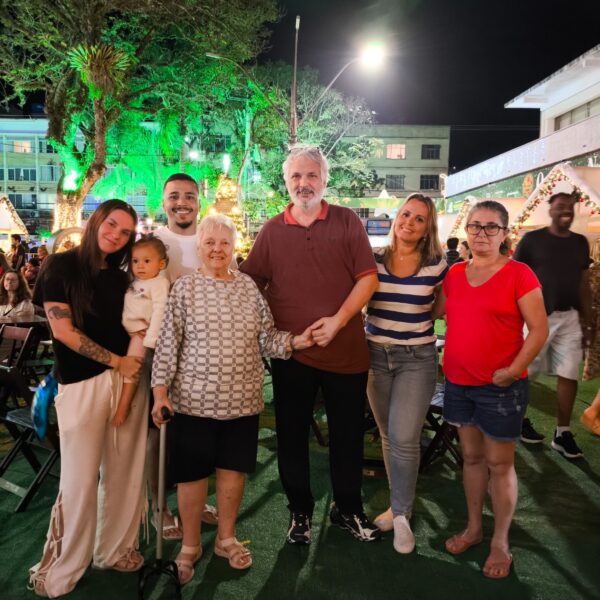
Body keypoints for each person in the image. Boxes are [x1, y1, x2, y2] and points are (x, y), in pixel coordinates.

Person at [152, 215, 314, 584]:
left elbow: (266, 338)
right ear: (199, 247)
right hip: (193, 401)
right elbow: (168, 344)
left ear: (234, 247)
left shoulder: (248, 288)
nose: (217, 249)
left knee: (233, 472)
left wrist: (296, 341)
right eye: (210, 242)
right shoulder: (185, 287)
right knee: (192, 476)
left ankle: (226, 539)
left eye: (224, 242)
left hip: (241, 401)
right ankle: (190, 545)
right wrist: (160, 392)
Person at [240, 145, 381, 544]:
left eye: (311, 175)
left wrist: (338, 321)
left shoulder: (347, 221)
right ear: (286, 181)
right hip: (294, 357)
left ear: (324, 179)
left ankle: (348, 509)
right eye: (296, 176)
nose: (304, 183)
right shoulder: (271, 231)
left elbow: (368, 279)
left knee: (347, 437)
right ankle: (299, 511)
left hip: (346, 353)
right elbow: (250, 285)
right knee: (291, 437)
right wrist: (277, 335)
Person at [29, 200, 146, 597]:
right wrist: (117, 361)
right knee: (79, 480)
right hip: (82, 383)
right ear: (96, 221)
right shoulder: (60, 267)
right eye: (111, 224)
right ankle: (63, 563)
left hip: (127, 381)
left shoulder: (123, 277)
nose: (116, 235)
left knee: (125, 471)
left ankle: (113, 550)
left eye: (125, 232)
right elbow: (63, 332)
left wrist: (129, 368)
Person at [433, 200, 547, 579]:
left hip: (501, 387)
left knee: (499, 464)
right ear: (466, 231)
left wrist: (513, 371)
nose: (481, 233)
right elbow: (434, 312)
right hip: (458, 382)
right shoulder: (454, 274)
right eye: (475, 226)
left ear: (504, 233)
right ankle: (474, 528)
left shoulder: (519, 274)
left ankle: (500, 541)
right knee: (471, 458)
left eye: (490, 227)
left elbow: (539, 330)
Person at [366, 193, 448, 554]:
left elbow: (438, 309)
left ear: (428, 228)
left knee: (404, 437)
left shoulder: (437, 265)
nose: (409, 223)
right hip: (374, 356)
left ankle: (401, 514)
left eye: (419, 219)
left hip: (417, 359)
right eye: (406, 214)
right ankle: (399, 505)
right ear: (396, 217)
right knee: (388, 435)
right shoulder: (373, 260)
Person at [151, 173, 219, 538]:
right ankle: (159, 507)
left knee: (199, 433)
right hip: (160, 352)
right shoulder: (153, 242)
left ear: (199, 202)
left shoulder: (211, 238)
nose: (182, 202)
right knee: (158, 433)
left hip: (204, 356)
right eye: (174, 196)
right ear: (163, 202)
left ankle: (193, 500)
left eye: (190, 196)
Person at [513, 192, 594, 458]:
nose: (565, 211)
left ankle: (562, 433)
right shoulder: (532, 240)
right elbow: (513, 277)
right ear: (550, 210)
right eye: (560, 206)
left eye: (570, 207)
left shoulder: (580, 242)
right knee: (526, 372)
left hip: (570, 317)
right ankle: (520, 421)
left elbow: (583, 282)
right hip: (536, 317)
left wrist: (588, 319)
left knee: (569, 373)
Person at [112, 236, 170, 427]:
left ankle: (124, 403)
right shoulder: (134, 281)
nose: (140, 266)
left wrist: (151, 338)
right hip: (128, 332)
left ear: (161, 264)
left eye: (147, 261)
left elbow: (161, 310)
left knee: (133, 363)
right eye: (135, 261)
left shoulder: (159, 283)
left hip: (142, 334)